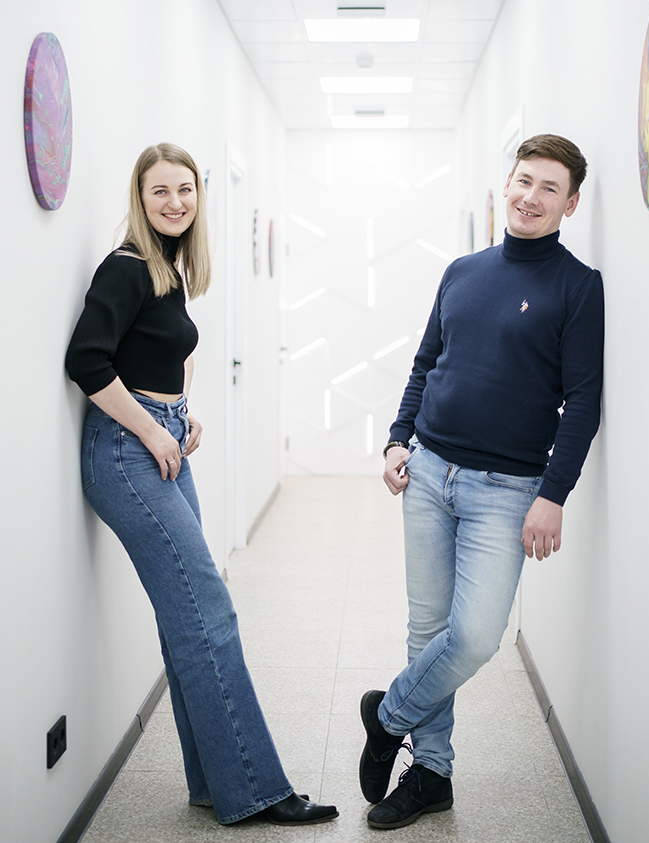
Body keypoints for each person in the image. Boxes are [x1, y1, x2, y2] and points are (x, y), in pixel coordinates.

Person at [65, 143, 338, 827]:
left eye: (185, 189)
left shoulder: (169, 269)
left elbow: (163, 355)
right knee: (210, 612)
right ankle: (257, 790)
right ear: (140, 197)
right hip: (127, 454)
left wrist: (180, 415)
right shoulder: (127, 267)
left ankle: (217, 783)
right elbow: (86, 360)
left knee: (187, 620)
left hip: (158, 440)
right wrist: (152, 430)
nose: (175, 202)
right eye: (160, 191)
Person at [359, 134, 604, 829]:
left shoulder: (578, 287)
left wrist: (553, 494)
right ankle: (431, 772)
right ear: (507, 183)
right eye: (524, 180)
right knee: (427, 628)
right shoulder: (462, 271)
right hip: (429, 471)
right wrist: (397, 438)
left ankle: (388, 716)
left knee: (474, 635)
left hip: (508, 488)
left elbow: (583, 400)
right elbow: (425, 362)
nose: (531, 196)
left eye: (549, 188)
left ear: (571, 203)